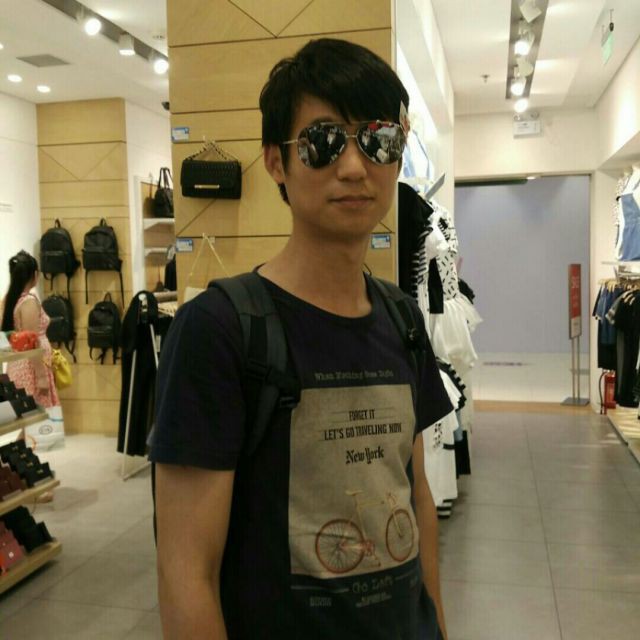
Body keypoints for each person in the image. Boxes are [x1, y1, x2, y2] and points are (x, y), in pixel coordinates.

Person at [150, 38, 452, 640]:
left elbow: (416, 497)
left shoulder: (402, 319)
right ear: (275, 162)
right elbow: (186, 573)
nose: (354, 167)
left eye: (379, 140)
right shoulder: (218, 330)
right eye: (323, 141)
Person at [1, 251, 59, 409]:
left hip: (18, 365)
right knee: (39, 416)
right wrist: (41, 376)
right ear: (35, 274)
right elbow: (32, 343)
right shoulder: (28, 301)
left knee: (26, 415)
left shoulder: (9, 299)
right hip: (31, 368)